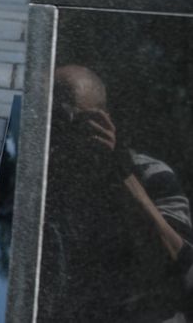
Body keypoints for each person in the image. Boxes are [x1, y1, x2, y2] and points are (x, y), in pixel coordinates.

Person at [42, 65, 193, 322]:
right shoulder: (42, 178)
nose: (66, 132)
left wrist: (118, 171)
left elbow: (180, 262)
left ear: (104, 120)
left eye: (75, 120)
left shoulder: (148, 174)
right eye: (53, 119)